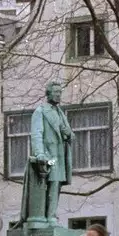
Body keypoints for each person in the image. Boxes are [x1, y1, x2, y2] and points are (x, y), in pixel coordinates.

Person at [18, 81, 74, 227]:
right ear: (48, 93)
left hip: (60, 156)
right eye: (55, 92)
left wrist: (68, 134)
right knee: (47, 184)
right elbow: (37, 134)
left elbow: (70, 135)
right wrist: (40, 153)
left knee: (56, 185)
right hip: (50, 157)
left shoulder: (60, 113)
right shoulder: (41, 111)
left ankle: (51, 216)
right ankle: (45, 217)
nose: (58, 94)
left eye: (60, 92)